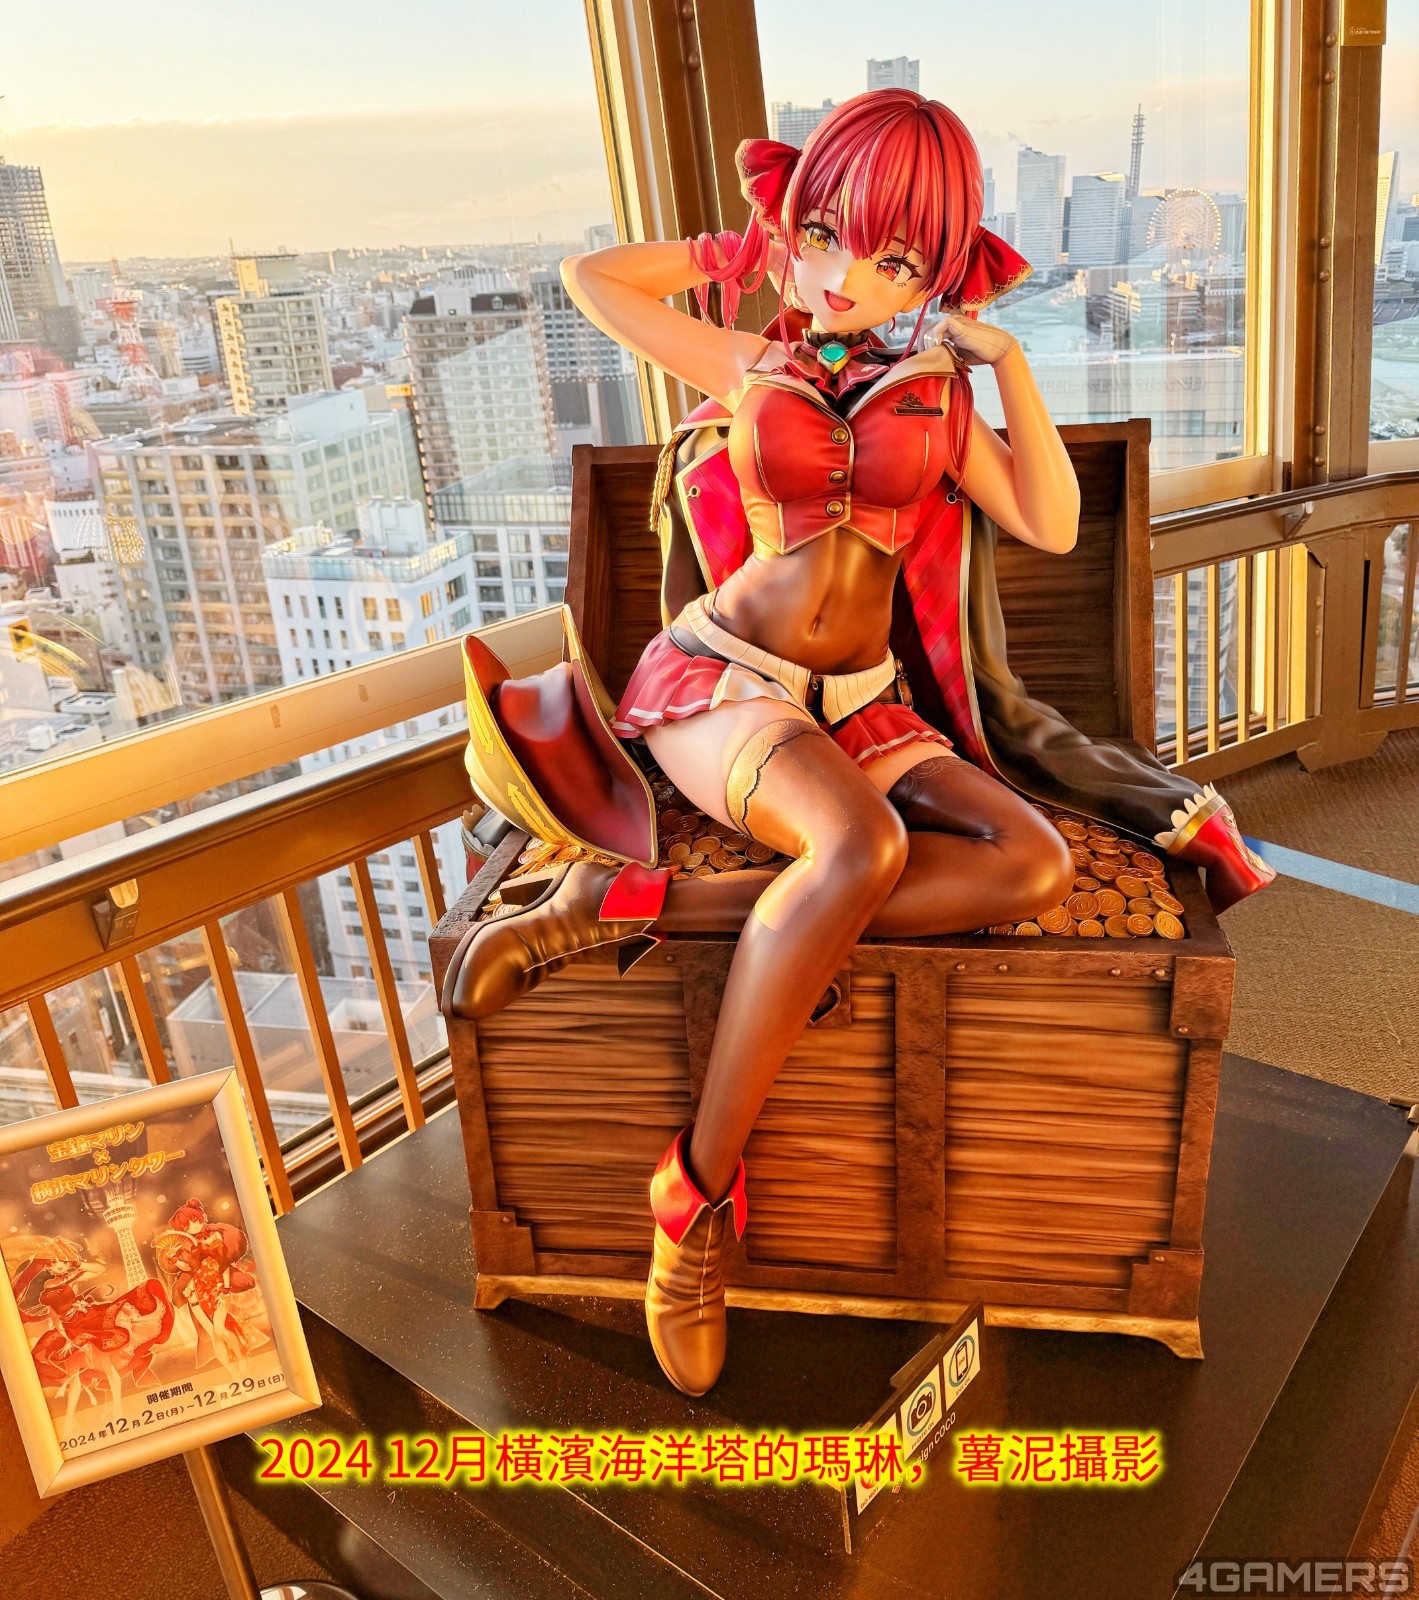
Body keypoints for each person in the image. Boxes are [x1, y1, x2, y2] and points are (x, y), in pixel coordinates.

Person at [448, 88, 1273, 1396]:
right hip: (724, 679)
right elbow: (589, 280)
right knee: (860, 849)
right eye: (827, 235)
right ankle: (694, 1201)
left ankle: (622, 908)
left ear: (936, 274)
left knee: (1032, 865)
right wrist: (741, 249)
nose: (847, 278)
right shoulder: (748, 363)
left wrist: (1008, 367)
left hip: (863, 702)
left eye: (894, 258)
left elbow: (1053, 523)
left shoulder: (939, 396)